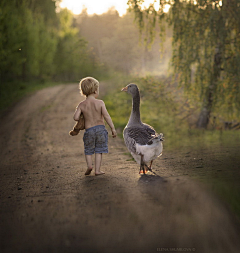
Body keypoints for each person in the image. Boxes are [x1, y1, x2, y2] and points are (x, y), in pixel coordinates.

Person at [73, 77, 117, 176]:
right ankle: (97, 170)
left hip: (89, 131)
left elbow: (75, 118)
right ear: (95, 90)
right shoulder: (100, 103)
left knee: (88, 149)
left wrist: (79, 112)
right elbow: (106, 116)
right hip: (101, 130)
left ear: (83, 91)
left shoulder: (82, 104)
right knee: (99, 150)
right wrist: (112, 128)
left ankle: (89, 166)